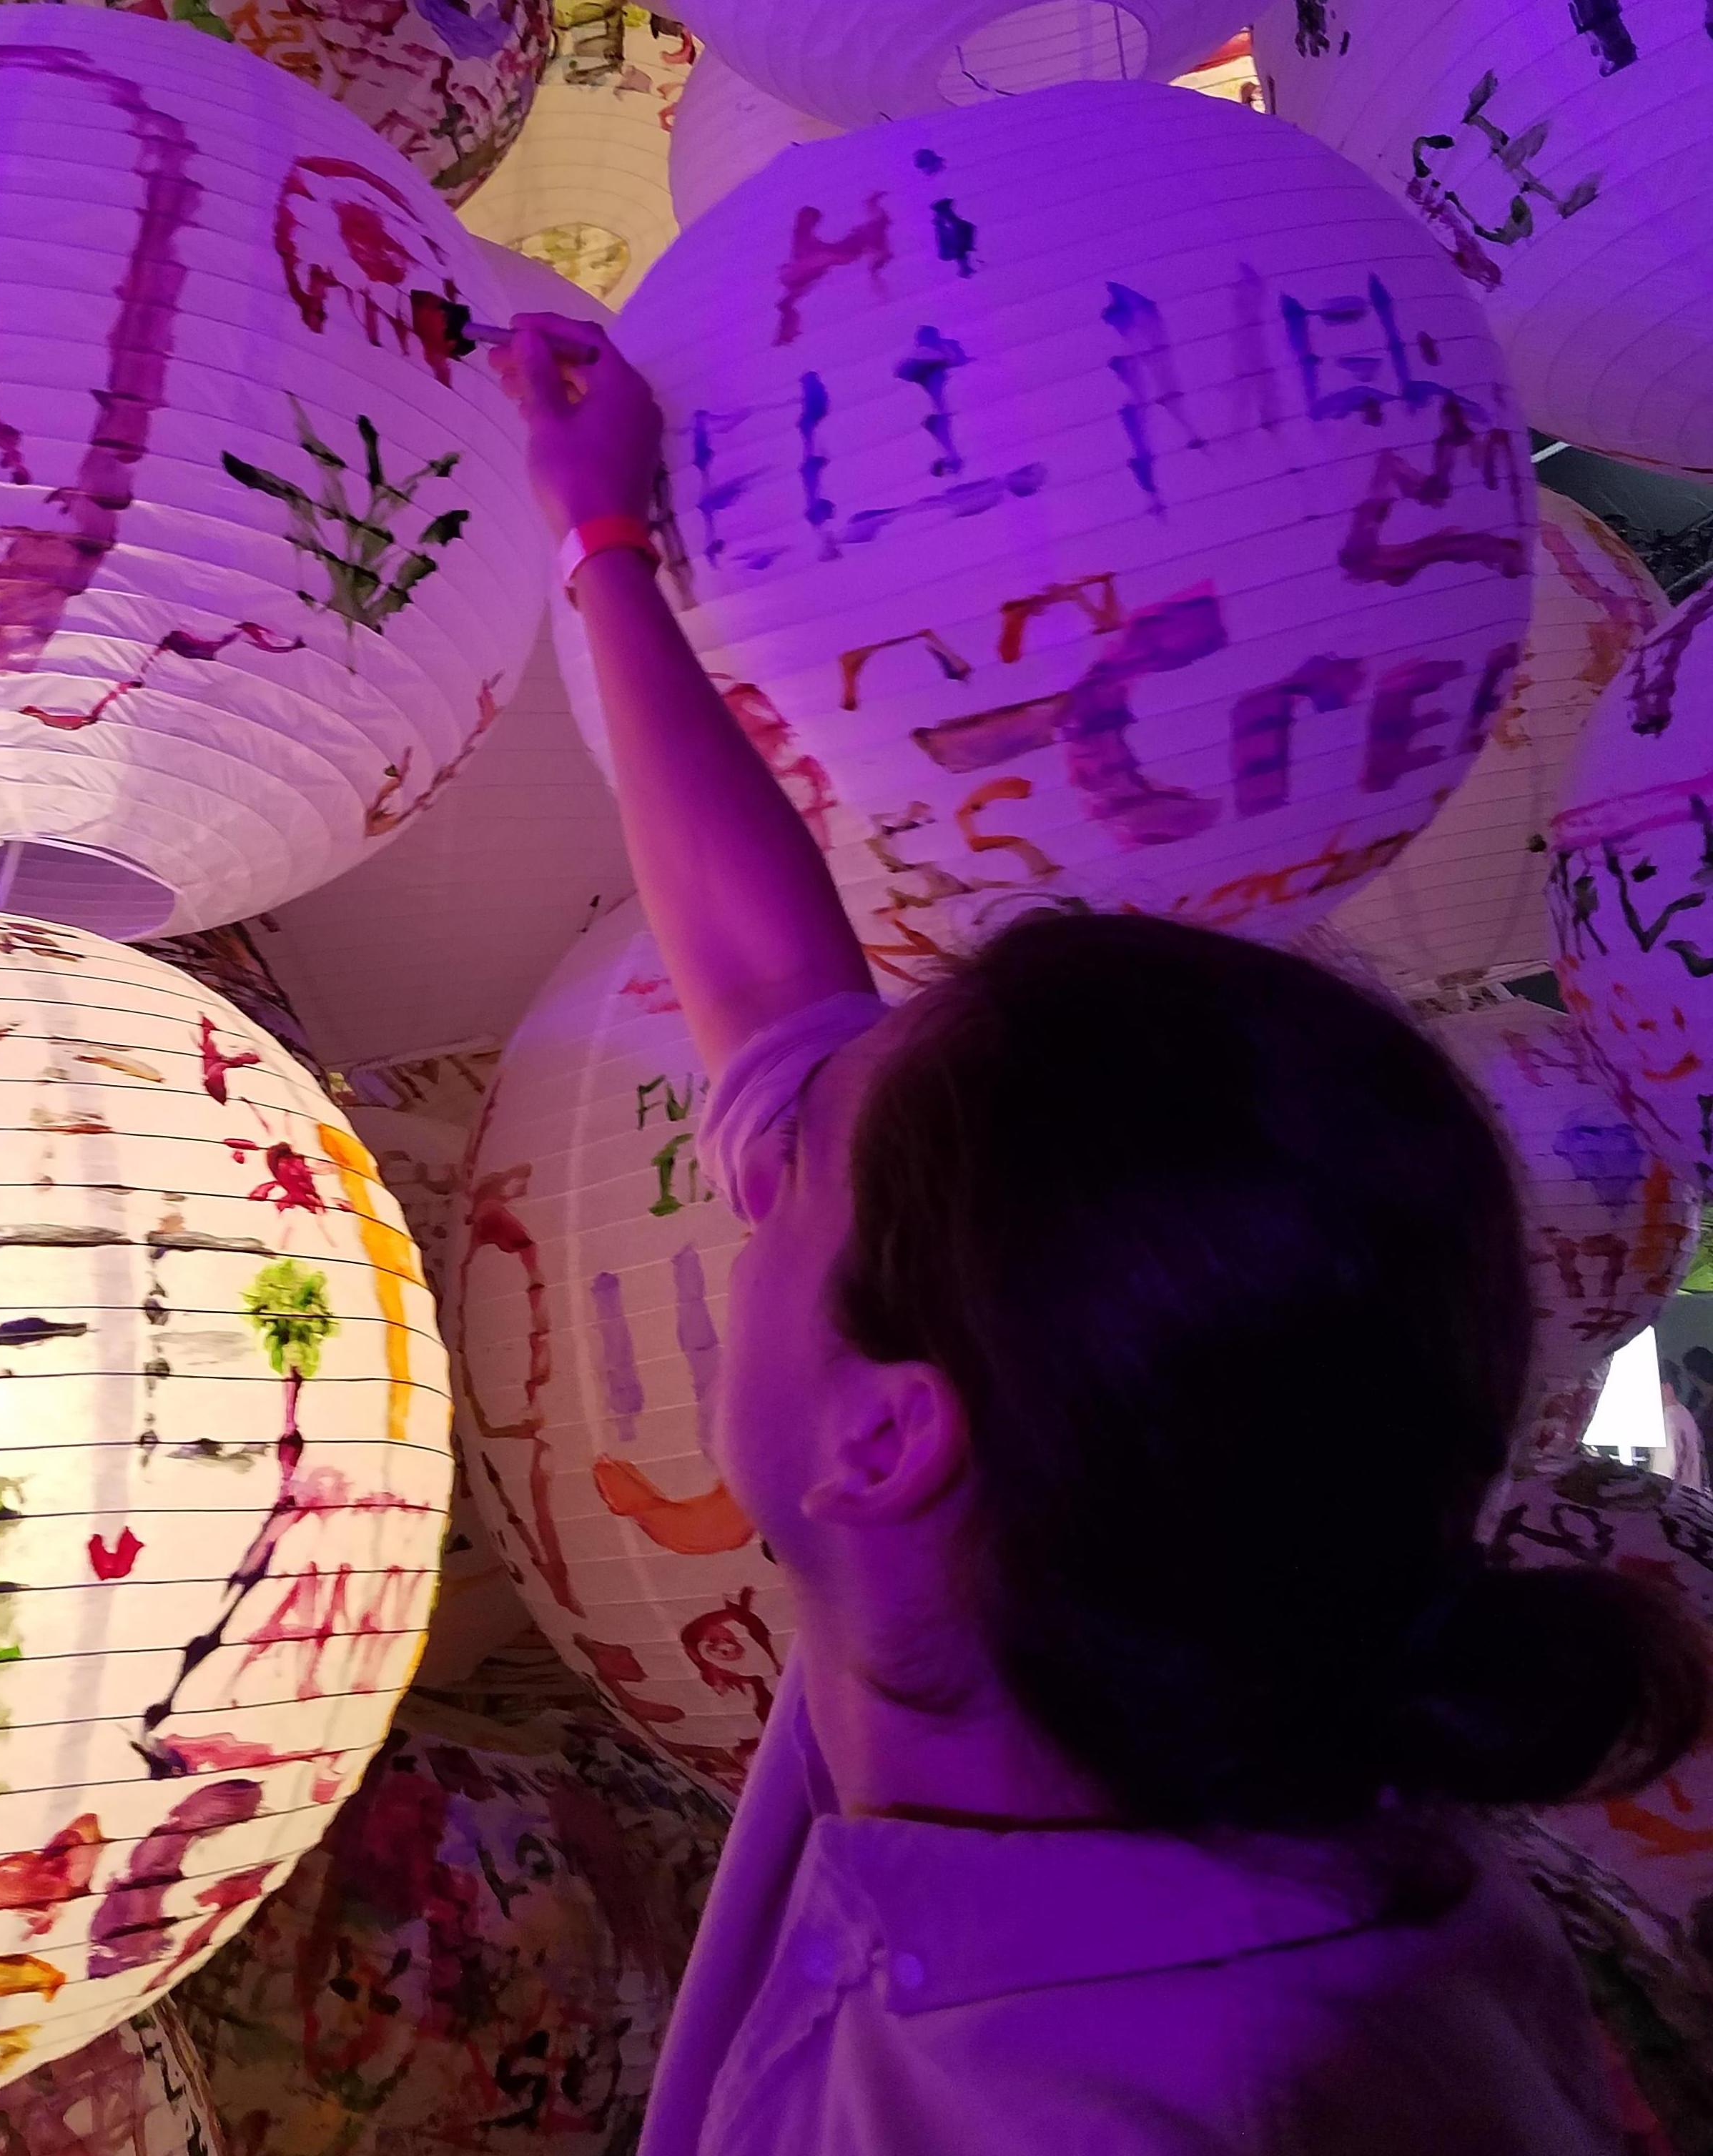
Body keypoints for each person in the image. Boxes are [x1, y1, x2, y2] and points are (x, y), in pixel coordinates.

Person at [491, 315, 1711, 2156]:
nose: (758, 1152)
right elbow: (778, 1003)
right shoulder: (1106, 1661)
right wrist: (604, 552)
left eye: (795, 1180)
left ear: (889, 1429)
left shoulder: (1100, 2103)